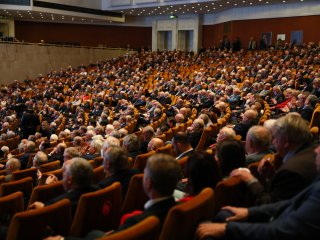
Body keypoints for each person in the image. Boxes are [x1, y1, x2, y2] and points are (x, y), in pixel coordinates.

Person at [196, 144, 320, 240]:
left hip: (279, 228)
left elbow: (282, 232)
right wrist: (249, 212)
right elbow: (289, 203)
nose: (315, 150)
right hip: (281, 219)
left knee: (211, 227)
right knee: (225, 214)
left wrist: (228, 229)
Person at [46, 153, 181, 240]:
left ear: (149, 182)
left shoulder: (136, 222)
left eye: (145, 174)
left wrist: (61, 239)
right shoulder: (178, 207)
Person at [231, 113, 318, 205]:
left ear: (286, 141)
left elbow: (271, 206)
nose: (273, 142)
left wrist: (250, 180)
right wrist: (272, 176)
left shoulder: (291, 170)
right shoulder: (313, 151)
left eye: (275, 138)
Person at [29, 157, 98, 216]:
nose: (62, 179)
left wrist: (46, 186)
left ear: (69, 179)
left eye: (63, 175)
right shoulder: (97, 189)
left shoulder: (55, 205)